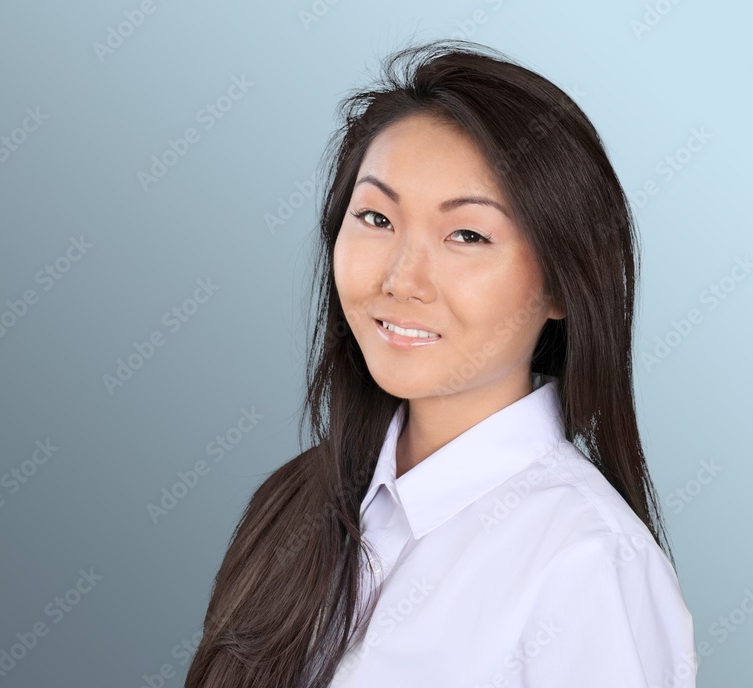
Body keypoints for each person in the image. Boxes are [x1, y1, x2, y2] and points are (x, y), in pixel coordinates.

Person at [184, 39, 696, 688]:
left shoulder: (587, 564)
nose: (401, 279)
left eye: (467, 235)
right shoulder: (292, 503)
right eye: (376, 218)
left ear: (562, 286)